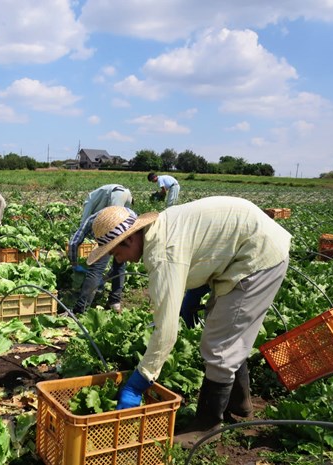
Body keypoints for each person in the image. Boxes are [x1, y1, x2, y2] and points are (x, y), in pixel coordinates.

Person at [86, 197, 291, 448]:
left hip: (259, 255)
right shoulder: (161, 228)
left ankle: (207, 425)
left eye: (117, 252)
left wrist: (139, 382)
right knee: (225, 328)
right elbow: (205, 243)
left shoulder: (162, 254)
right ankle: (239, 404)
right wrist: (195, 291)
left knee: (220, 344)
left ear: (130, 238)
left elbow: (166, 332)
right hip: (243, 249)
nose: (119, 260)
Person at [69, 184, 133, 314]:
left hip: (117, 195)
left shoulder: (90, 218)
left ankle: (80, 309)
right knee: (120, 263)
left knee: (96, 268)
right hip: (127, 196)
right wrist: (107, 276)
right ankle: (115, 301)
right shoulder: (125, 213)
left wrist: (74, 263)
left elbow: (74, 241)